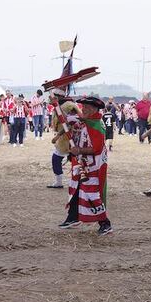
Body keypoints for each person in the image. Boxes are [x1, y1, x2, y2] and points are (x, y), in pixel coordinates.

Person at [60, 96, 112, 235]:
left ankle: (105, 223)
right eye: (83, 107)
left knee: (92, 193)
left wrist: (79, 150)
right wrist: (57, 106)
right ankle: (73, 217)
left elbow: (96, 148)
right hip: (81, 163)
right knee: (76, 190)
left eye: (88, 108)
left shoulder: (96, 124)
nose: (85, 110)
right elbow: (67, 120)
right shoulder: (84, 120)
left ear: (95, 109)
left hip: (93, 166)